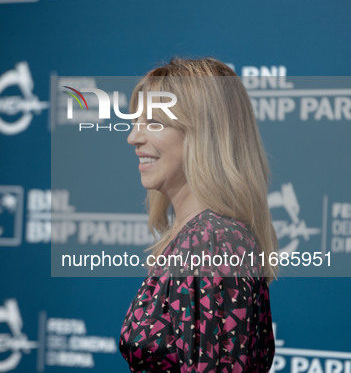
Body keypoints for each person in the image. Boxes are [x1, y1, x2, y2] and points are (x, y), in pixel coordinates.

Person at [119, 57, 278, 372]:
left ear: (204, 133)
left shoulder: (212, 243)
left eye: (154, 123)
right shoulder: (200, 237)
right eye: (136, 122)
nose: (133, 138)